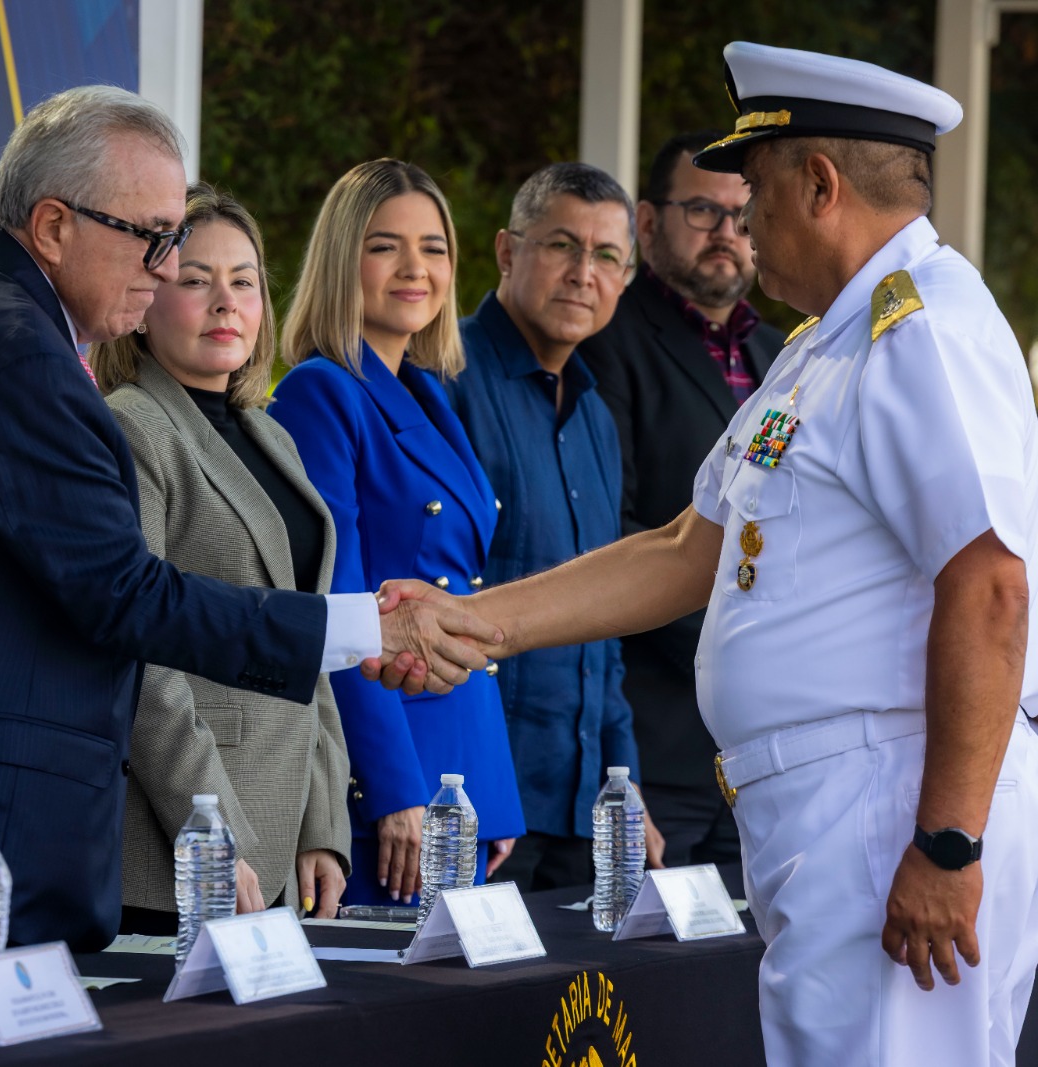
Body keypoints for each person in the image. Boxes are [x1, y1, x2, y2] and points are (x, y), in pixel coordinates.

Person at [372, 41, 1038, 1066]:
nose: (744, 226)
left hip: (892, 802)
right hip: (838, 807)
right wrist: (475, 620)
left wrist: (947, 841)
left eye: (755, 193)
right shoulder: (823, 344)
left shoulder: (922, 330)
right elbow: (688, 546)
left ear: (819, 185)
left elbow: (990, 583)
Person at [0, 88, 495, 975]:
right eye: (151, 237)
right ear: (53, 226)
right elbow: (124, 595)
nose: (166, 265)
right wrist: (365, 627)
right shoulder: (11, 350)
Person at [269, 159, 525, 908]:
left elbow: (462, 594)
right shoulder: (319, 390)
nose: (416, 268)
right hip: (393, 778)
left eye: (433, 248)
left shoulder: (428, 391)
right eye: (385, 246)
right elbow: (338, 602)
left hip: (458, 766)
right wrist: (390, 787)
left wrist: (493, 791)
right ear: (340, 260)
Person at [95, 184, 350, 929]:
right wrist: (208, 829)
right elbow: (142, 657)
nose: (225, 303)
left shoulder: (273, 435)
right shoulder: (130, 426)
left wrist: (322, 822)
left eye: (243, 282)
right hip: (183, 840)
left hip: (283, 830)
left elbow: (309, 636)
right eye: (196, 279)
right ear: (145, 300)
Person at [445, 162, 661, 890]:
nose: (582, 273)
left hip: (584, 809)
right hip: (474, 804)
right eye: (562, 245)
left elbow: (606, 623)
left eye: (606, 256)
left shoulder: (596, 417)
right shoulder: (444, 379)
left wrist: (624, 783)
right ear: (508, 252)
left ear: (625, 278)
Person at [578, 133, 782, 869]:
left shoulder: (784, 355)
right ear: (648, 221)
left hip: (768, 748)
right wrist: (749, 638)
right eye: (702, 210)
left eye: (740, 214)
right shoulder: (605, 340)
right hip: (655, 742)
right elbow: (609, 525)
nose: (726, 232)